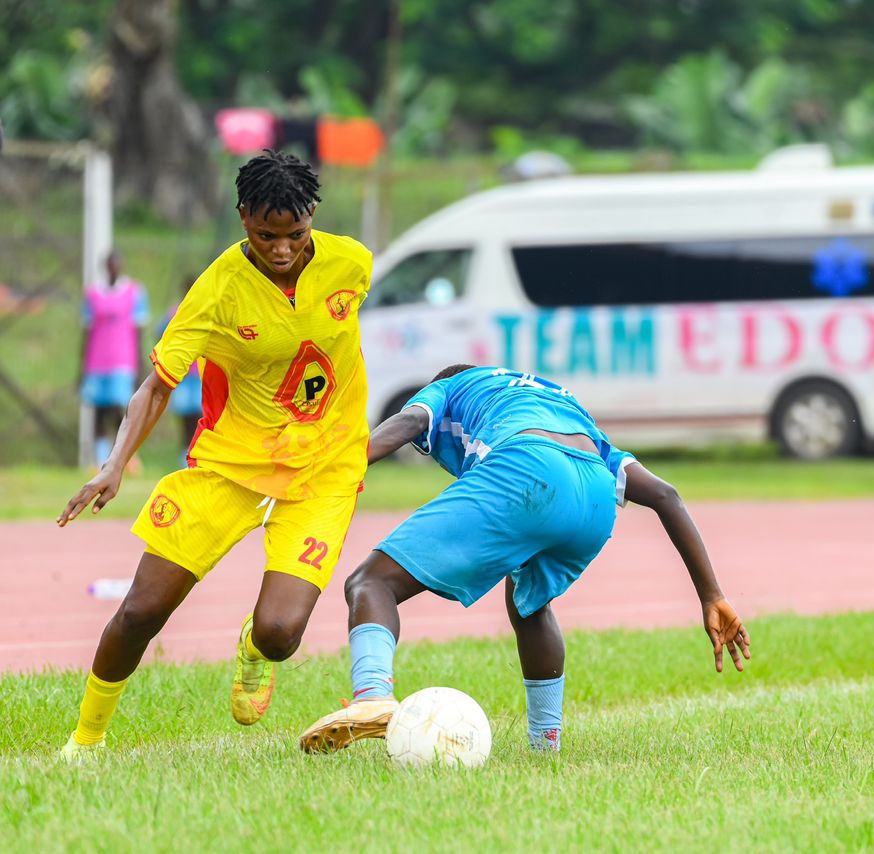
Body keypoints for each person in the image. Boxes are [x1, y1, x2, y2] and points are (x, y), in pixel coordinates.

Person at [56, 150, 374, 761]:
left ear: (312, 218)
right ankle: (85, 742)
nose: (281, 250)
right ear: (242, 219)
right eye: (265, 236)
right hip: (231, 465)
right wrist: (116, 462)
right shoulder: (217, 291)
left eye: (295, 235)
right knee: (143, 609)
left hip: (325, 468)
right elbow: (157, 385)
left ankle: (254, 650)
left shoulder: (352, 263)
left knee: (281, 634)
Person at [297, 365, 750, 755]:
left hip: (524, 467)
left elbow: (412, 420)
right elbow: (664, 494)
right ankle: (545, 744)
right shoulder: (558, 400)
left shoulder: (452, 386)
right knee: (529, 602)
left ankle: (372, 695)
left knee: (370, 583)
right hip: (593, 495)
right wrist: (712, 595)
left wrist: (341, 469)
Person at [81, 251, 150, 469]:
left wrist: (139, 364)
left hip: (123, 361)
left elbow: (139, 331)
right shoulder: (93, 295)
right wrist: (81, 367)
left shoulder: (134, 292)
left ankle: (123, 458)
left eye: (116, 264)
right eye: (110, 265)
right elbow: (86, 332)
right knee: (98, 411)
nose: (113, 268)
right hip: (96, 363)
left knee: (123, 408)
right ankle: (99, 459)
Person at [153, 274, 204, 460]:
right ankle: (185, 459)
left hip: (200, 375)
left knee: (199, 418)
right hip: (182, 375)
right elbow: (160, 333)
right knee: (185, 419)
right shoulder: (176, 312)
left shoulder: (206, 310)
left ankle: (197, 458)